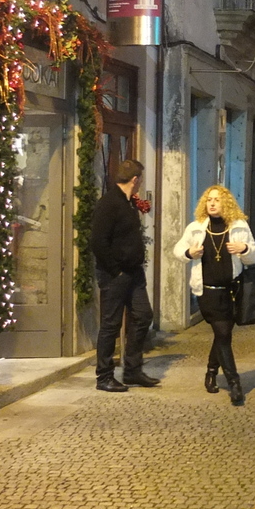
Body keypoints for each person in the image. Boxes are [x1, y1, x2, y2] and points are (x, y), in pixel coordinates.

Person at [173, 185, 255, 406]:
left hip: (232, 290)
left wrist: (244, 249)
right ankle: (235, 383)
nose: (212, 203)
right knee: (222, 331)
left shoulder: (239, 227)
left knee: (223, 335)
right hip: (207, 291)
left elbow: (253, 257)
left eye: (217, 200)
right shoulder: (196, 228)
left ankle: (211, 371)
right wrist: (189, 253)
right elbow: (177, 250)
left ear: (226, 203)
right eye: (209, 199)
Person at [90, 159, 158, 392]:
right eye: (141, 180)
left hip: (133, 273)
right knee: (111, 324)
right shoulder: (109, 203)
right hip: (116, 274)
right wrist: (114, 270)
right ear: (136, 180)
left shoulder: (129, 202)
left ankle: (132, 370)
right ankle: (104, 376)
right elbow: (98, 241)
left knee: (143, 315)